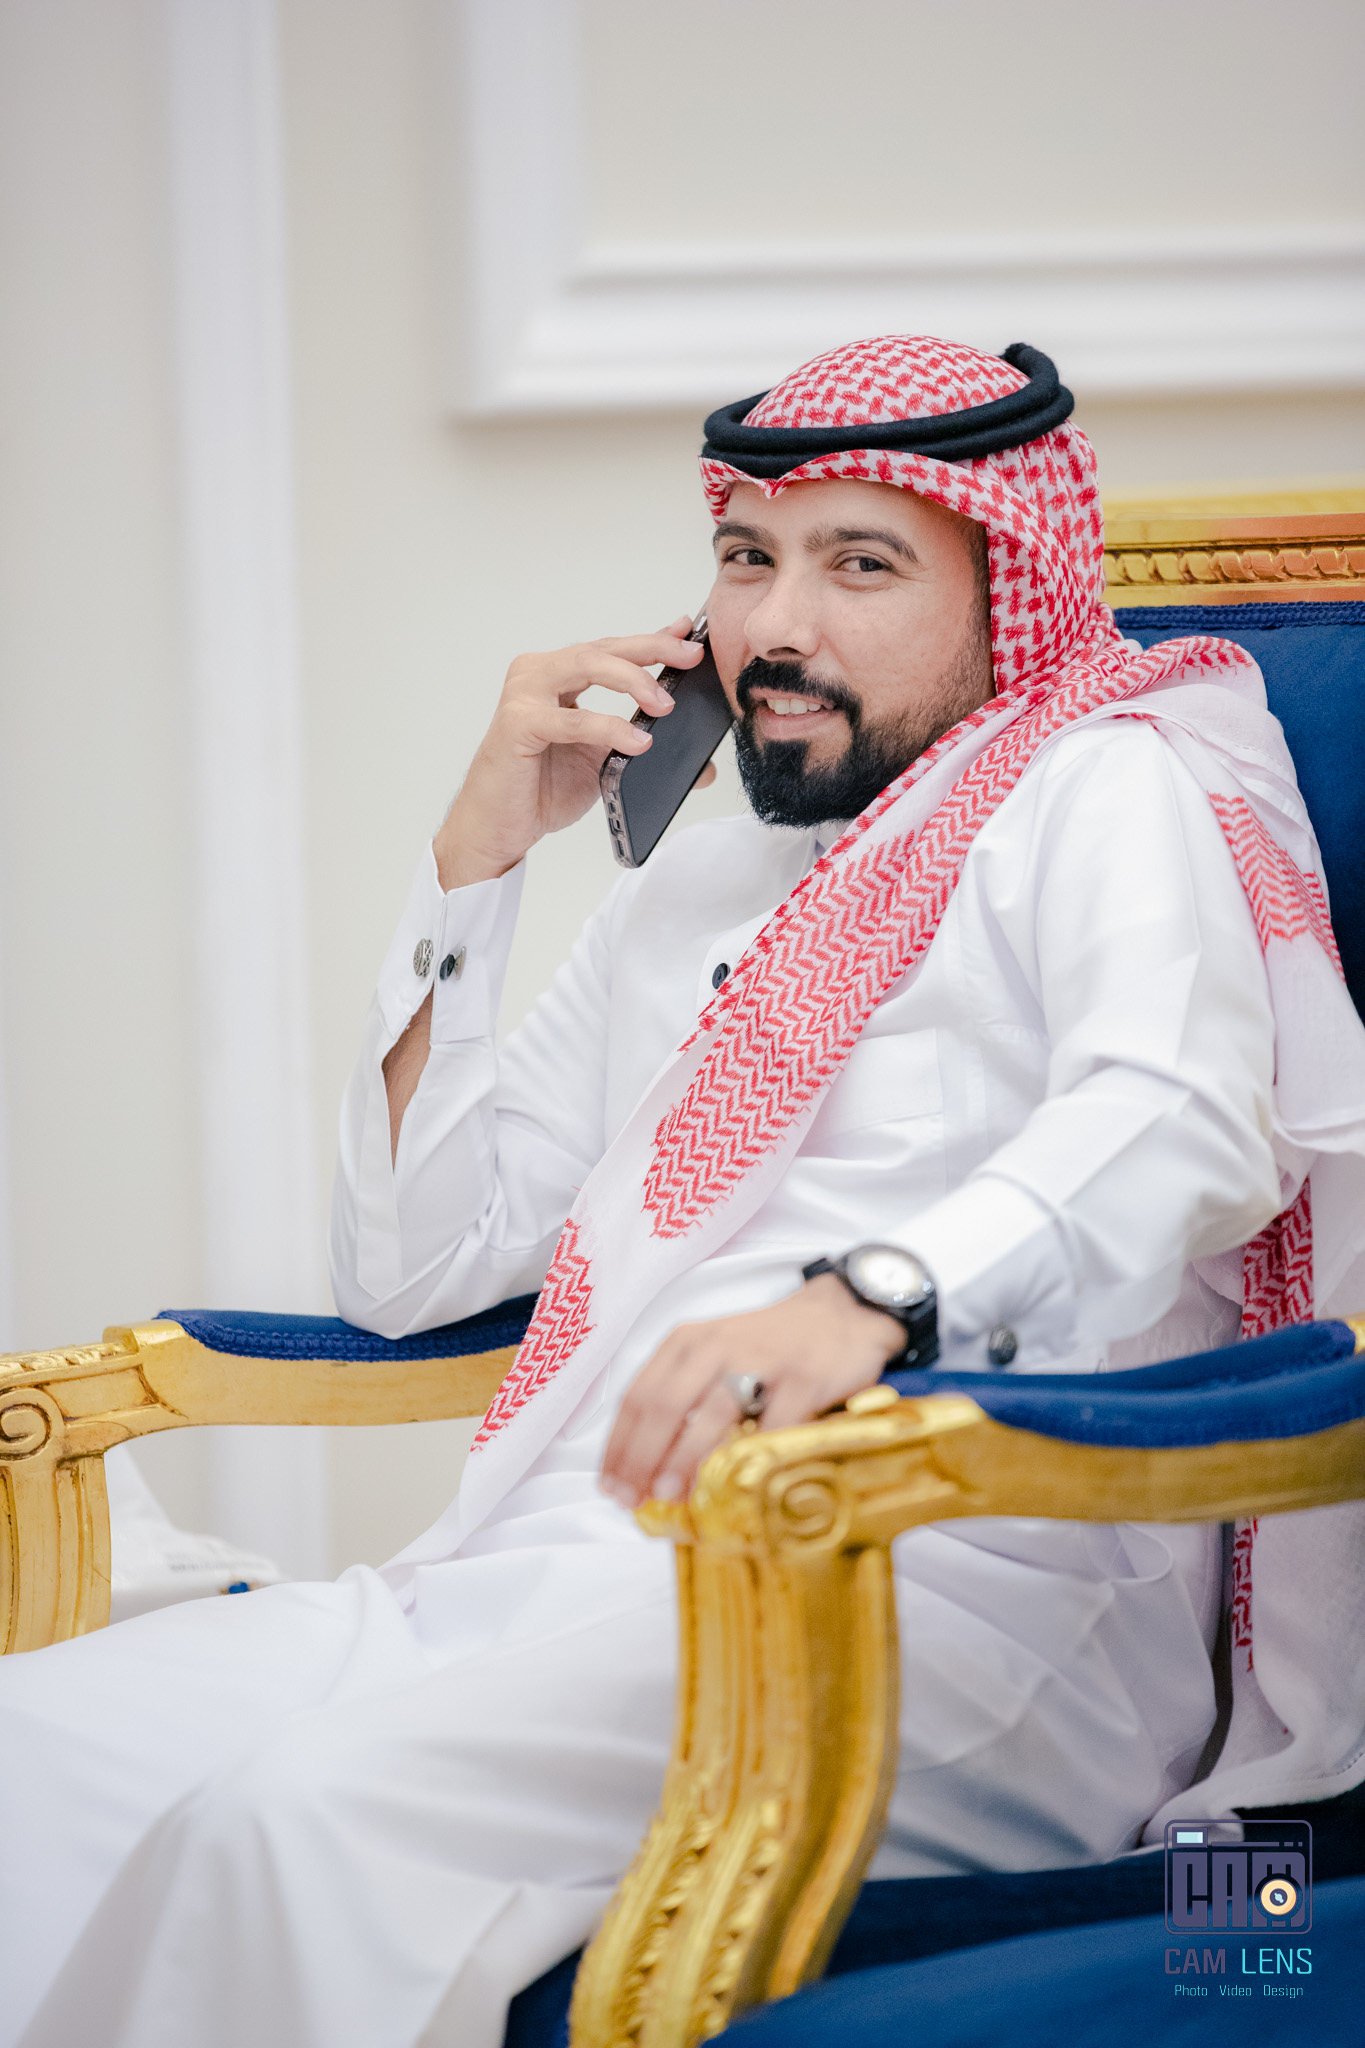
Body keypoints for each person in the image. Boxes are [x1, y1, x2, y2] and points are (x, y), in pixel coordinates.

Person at [2, 336, 1363, 2048]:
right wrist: (478, 862)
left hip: (941, 1596)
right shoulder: (706, 875)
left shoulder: (1105, 783)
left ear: (1004, 590)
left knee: (287, 1829)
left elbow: (1181, 1116)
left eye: (861, 565)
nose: (773, 627)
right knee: (33, 1764)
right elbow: (409, 1267)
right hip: (550, 1571)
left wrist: (870, 1297)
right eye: (745, 557)